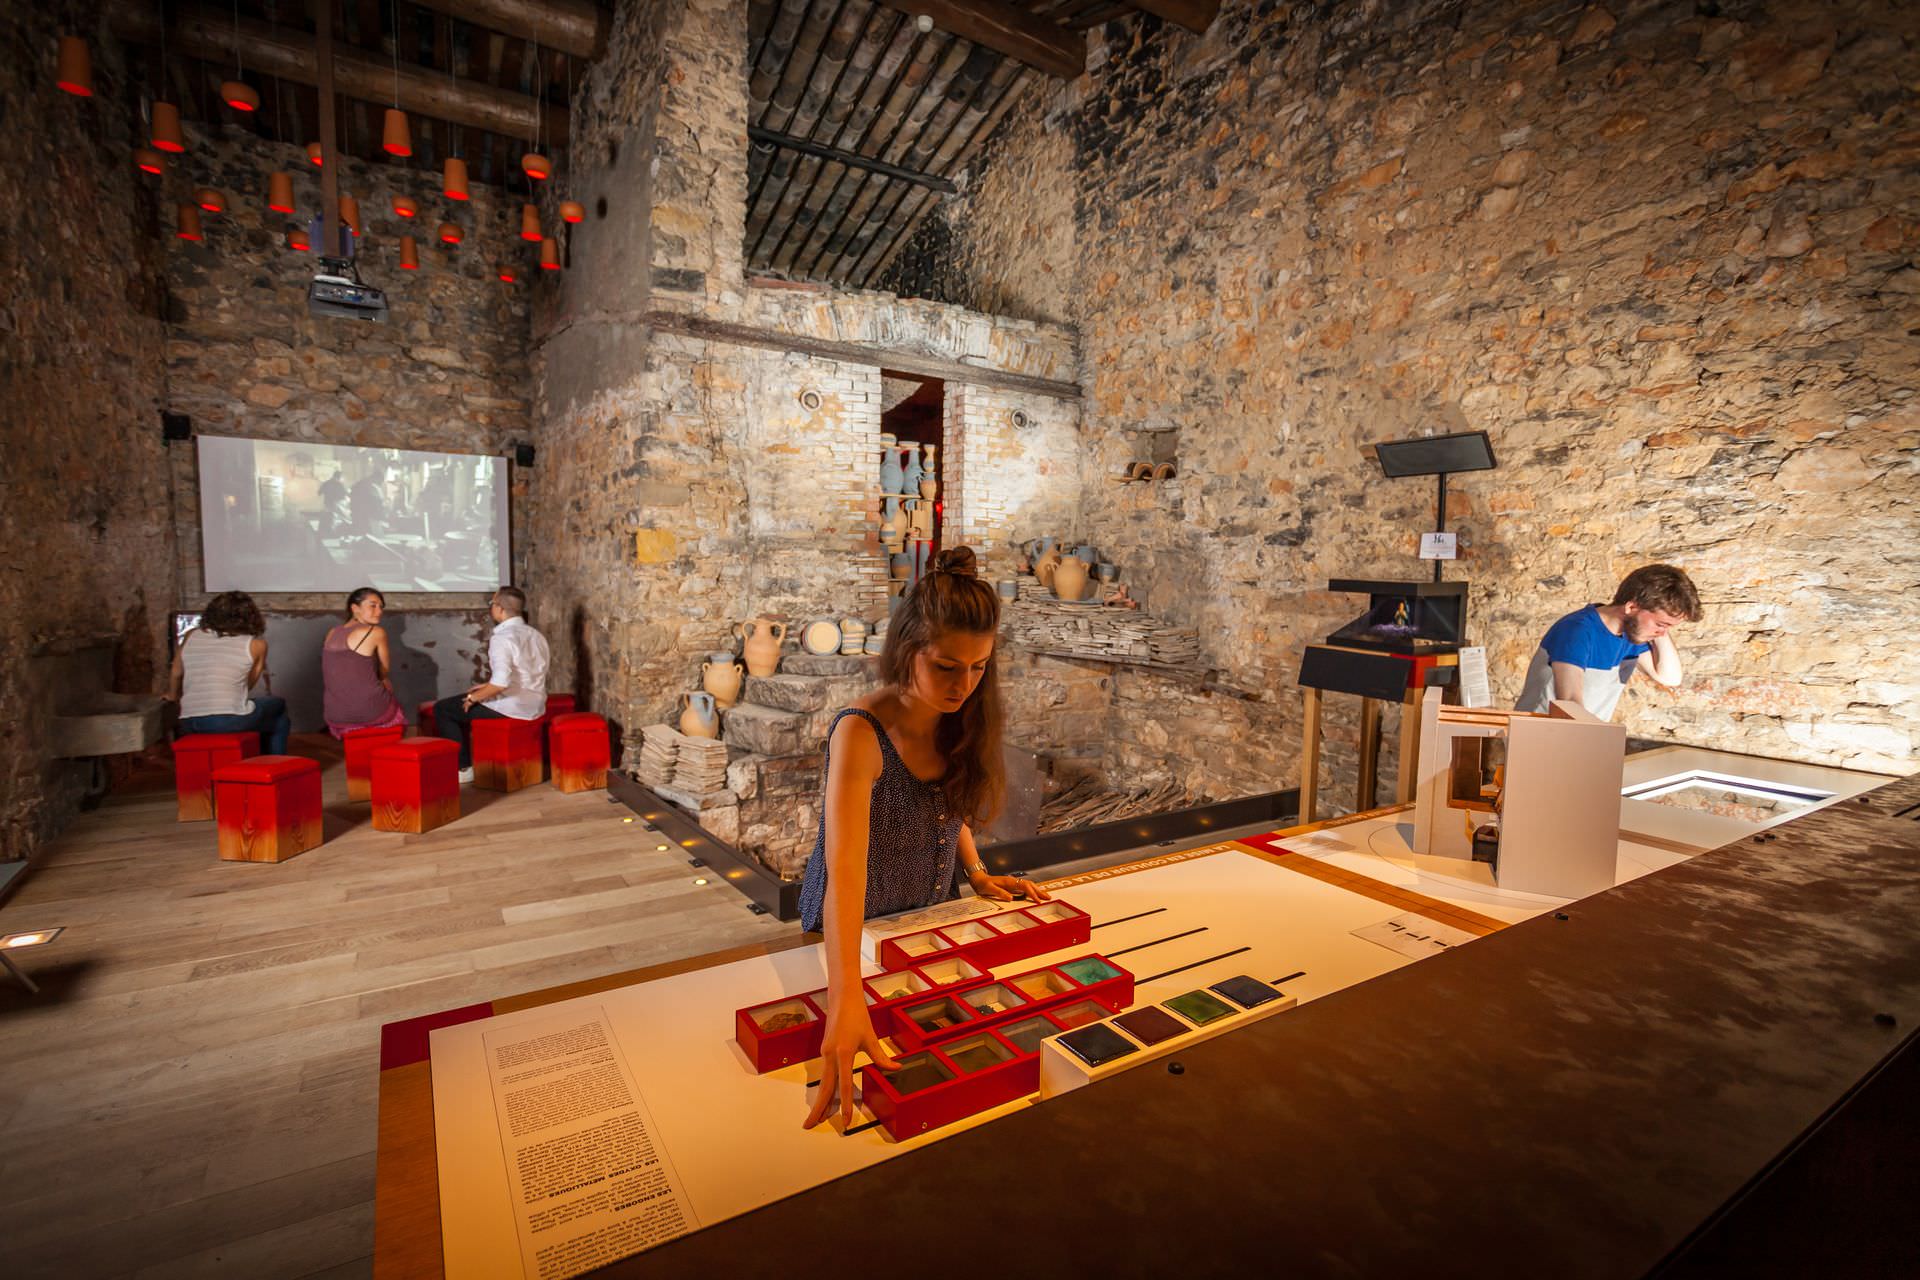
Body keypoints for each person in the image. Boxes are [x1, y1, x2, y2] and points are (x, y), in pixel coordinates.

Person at [799, 547, 1050, 1131]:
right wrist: (845, 996)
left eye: (979, 667)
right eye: (946, 666)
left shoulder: (960, 717)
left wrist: (978, 872)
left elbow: (949, 806)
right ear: (909, 649)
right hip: (845, 932)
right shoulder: (861, 733)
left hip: (918, 917)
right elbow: (844, 871)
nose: (964, 683)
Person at [1516, 563, 1702, 720]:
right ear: (1631, 606)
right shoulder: (1577, 631)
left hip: (1582, 738)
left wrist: (1661, 627)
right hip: (1541, 740)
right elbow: (1569, 703)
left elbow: (1670, 678)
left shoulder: (1631, 634)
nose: (1661, 633)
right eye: (1660, 624)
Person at [434, 586, 549, 783]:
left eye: (492, 604)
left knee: (444, 709)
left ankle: (463, 768)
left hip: (513, 706)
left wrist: (475, 698)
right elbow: (525, 673)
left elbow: (501, 684)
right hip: (536, 704)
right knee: (467, 701)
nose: (491, 608)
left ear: (499, 608)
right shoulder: (536, 635)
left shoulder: (502, 638)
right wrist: (486, 686)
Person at [168, 591, 292, 755]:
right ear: (250, 616)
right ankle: (273, 763)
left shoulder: (192, 635)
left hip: (188, 721)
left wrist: (171, 694)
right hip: (226, 721)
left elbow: (176, 671)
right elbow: (246, 686)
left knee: (256, 712)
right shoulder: (256, 645)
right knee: (278, 710)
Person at [322, 587, 406, 738]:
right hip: (369, 713)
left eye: (381, 607)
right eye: (372, 605)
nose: (379, 611)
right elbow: (384, 671)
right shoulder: (375, 632)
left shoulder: (332, 632)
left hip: (335, 714)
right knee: (390, 695)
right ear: (355, 608)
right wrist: (384, 679)